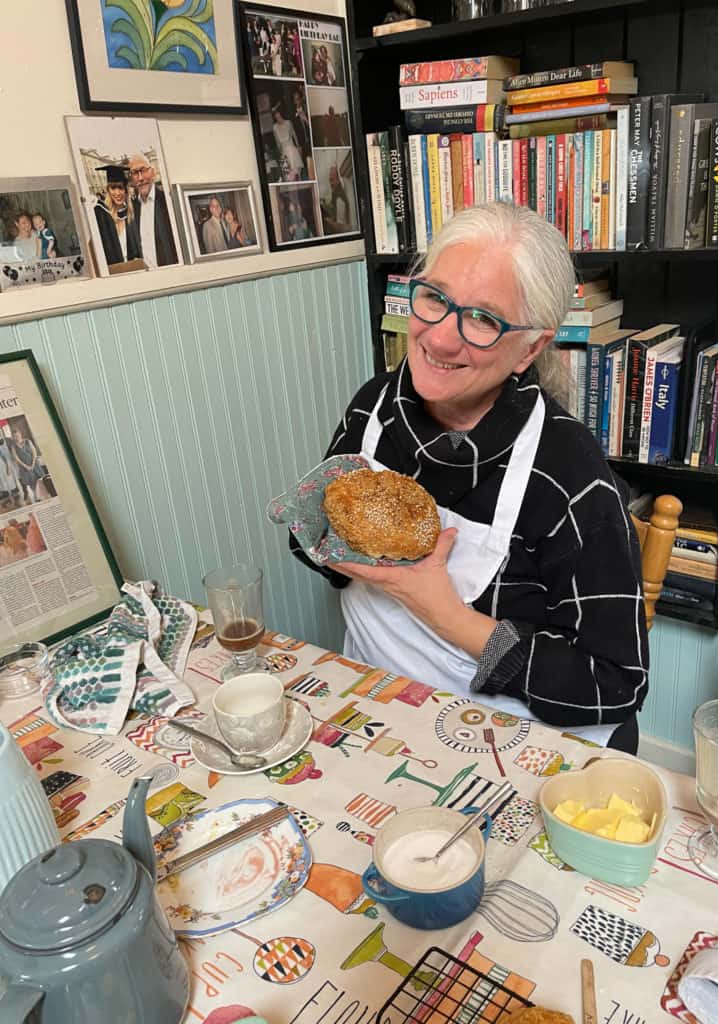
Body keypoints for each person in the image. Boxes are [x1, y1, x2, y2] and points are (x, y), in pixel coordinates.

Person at [291, 202, 649, 753]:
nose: (438, 339)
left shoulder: (567, 475)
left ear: (531, 347)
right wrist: (320, 539)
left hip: (511, 742)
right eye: (434, 297)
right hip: (380, 711)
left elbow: (616, 685)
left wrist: (444, 612)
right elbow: (322, 551)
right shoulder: (373, 409)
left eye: (483, 318)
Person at [129, 152, 179, 268]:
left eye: (143, 170)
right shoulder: (133, 208)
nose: (140, 178)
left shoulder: (168, 202)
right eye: (135, 173)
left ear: (152, 172)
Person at [94, 164, 142, 267]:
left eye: (120, 188)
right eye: (113, 188)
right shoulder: (101, 216)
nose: (117, 193)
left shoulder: (131, 215)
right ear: (108, 190)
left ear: (126, 190)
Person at [11, 428, 46, 503]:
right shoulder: (13, 446)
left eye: (17, 435)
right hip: (24, 467)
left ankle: (38, 496)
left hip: (34, 464)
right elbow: (16, 459)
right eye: (14, 436)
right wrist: (25, 466)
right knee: (31, 482)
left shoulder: (28, 441)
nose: (16, 437)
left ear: (20, 434)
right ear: (13, 437)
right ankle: (36, 497)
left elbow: (34, 452)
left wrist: (32, 464)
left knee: (37, 480)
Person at [272, 108, 305, 181]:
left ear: (282, 115)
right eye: (276, 118)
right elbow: (277, 142)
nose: (278, 119)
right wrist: (280, 154)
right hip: (284, 153)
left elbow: (294, 135)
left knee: (297, 173)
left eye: (279, 117)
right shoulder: (275, 127)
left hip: (292, 150)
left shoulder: (288, 123)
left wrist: (298, 146)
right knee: (288, 176)